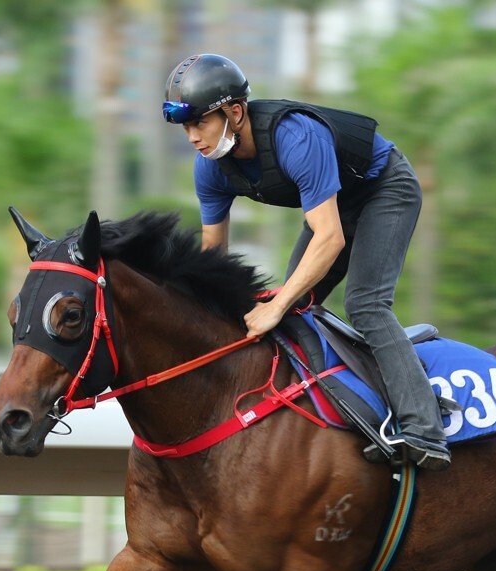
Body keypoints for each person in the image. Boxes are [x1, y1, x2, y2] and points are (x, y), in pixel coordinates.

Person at [163, 53, 449, 470]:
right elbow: (214, 261)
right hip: (335, 204)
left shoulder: (295, 137)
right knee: (296, 307)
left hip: (385, 189)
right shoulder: (209, 170)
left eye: (200, 123)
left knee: (365, 304)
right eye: (186, 127)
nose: (193, 137)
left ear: (236, 112)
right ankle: (342, 408)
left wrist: (276, 305)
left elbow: (329, 237)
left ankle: (425, 429)